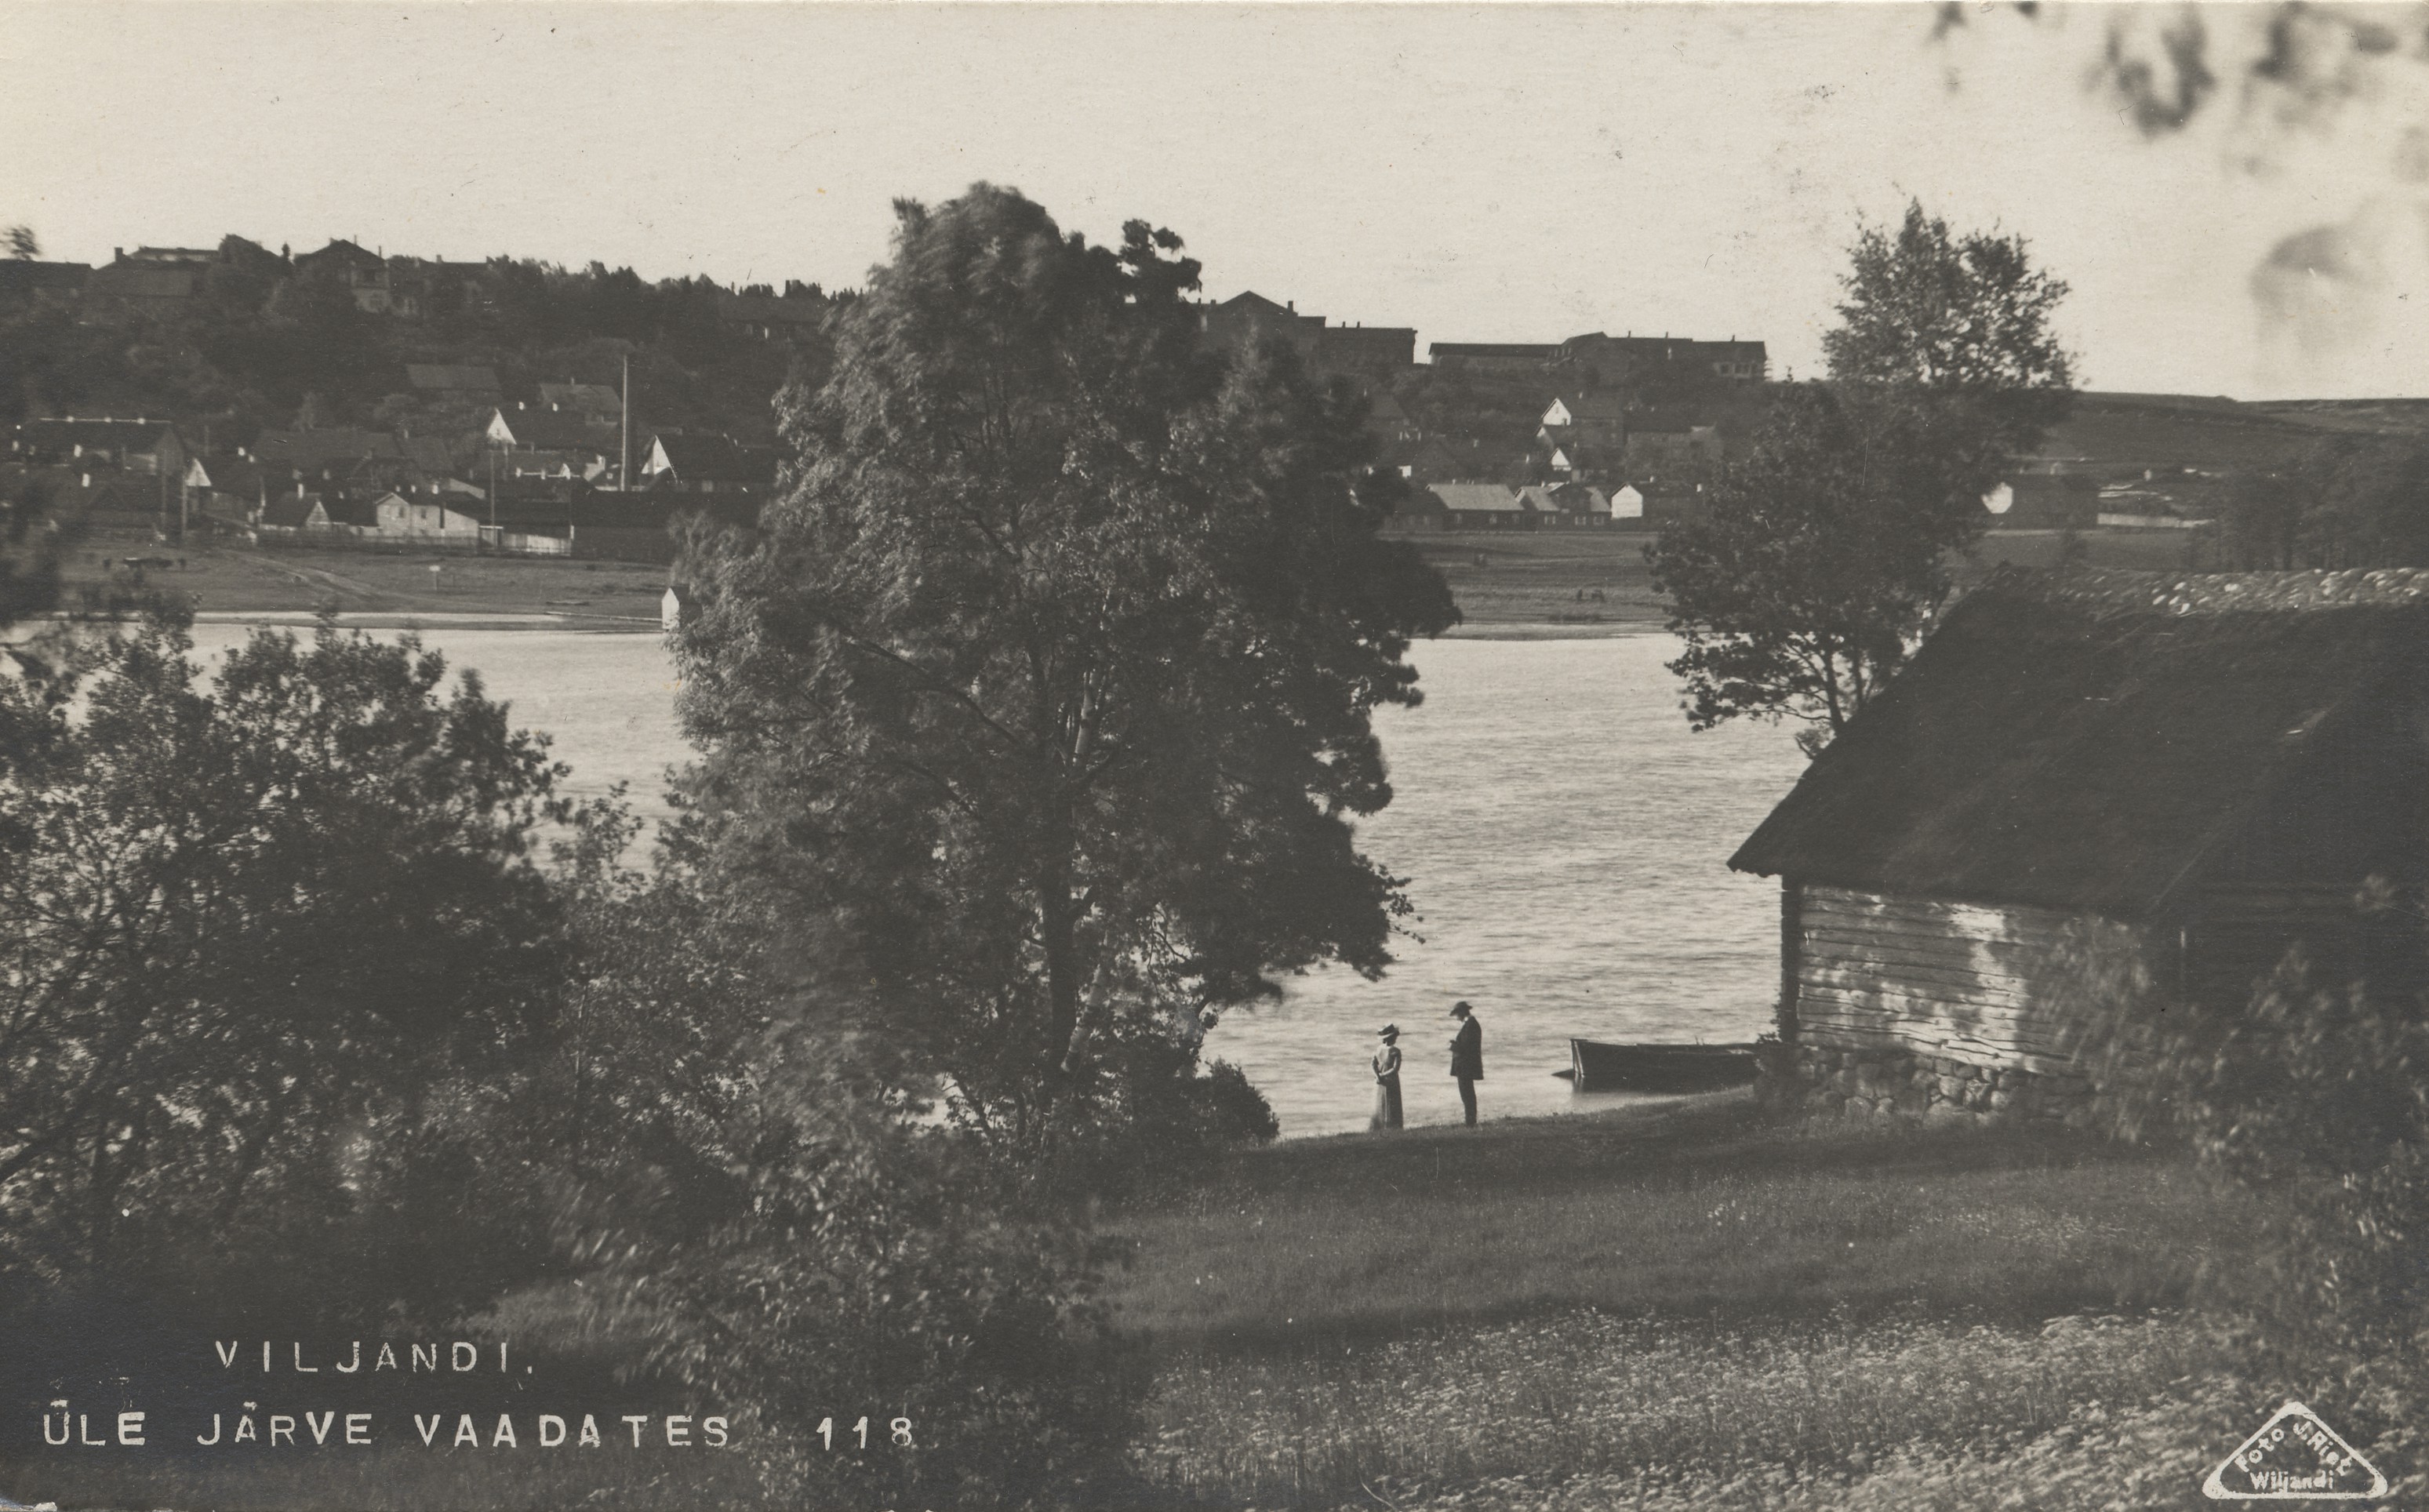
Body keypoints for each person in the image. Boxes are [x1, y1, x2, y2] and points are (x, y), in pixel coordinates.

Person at [1449, 1001, 1483, 1126]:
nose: (1456, 1018)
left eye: (1457, 1014)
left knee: (1467, 1094)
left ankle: (1470, 1121)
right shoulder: (1471, 1024)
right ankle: (1470, 1120)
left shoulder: (1471, 1025)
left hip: (1465, 1066)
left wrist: (1454, 1046)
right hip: (1466, 1065)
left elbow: (1468, 1047)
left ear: (1462, 1012)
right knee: (1467, 1094)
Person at [1369, 1024, 1404, 1131]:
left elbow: (1373, 1064)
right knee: (1392, 1102)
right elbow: (1395, 1069)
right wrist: (1383, 1075)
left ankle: (1378, 1126)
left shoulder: (1378, 1049)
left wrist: (1377, 1076)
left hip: (1379, 1081)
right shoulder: (1395, 1051)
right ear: (1392, 1038)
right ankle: (1393, 1126)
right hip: (1391, 1080)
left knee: (1380, 1103)